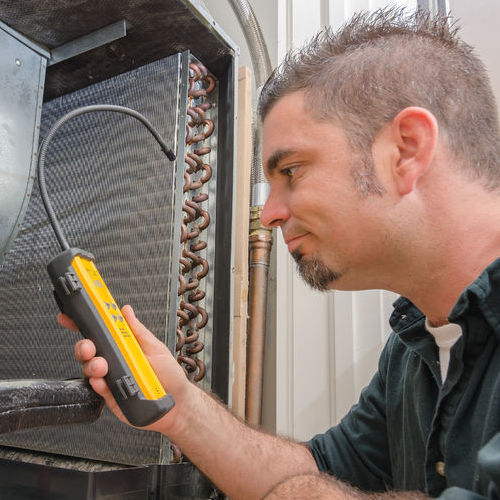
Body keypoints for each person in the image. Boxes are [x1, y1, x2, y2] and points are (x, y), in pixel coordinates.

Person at [59, 7, 500, 499]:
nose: (268, 214)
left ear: (408, 150)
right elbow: (321, 469)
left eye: (290, 171)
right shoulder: (414, 345)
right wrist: (180, 406)